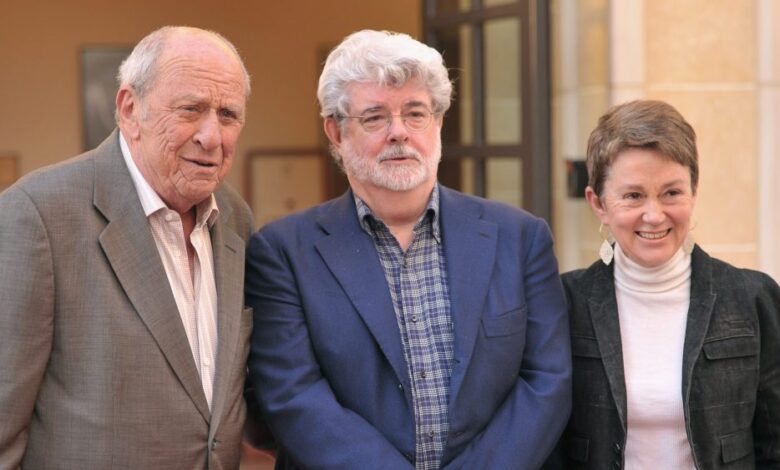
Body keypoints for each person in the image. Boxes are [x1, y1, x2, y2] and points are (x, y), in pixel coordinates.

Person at [245, 29, 571, 469]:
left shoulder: (520, 238)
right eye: (375, 117)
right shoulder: (282, 253)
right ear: (336, 132)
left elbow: (545, 383)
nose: (399, 132)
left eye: (415, 113)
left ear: (437, 122)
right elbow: (293, 396)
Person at [0, 26, 255, 468]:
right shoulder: (38, 214)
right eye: (191, 109)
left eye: (228, 115)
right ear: (129, 109)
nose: (212, 136)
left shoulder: (236, 217)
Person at [549, 100, 780, 469]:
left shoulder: (752, 299)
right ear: (599, 204)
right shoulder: (564, 303)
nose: (654, 215)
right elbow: (550, 447)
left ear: (693, 190)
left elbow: (774, 442)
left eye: (671, 192)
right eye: (633, 195)